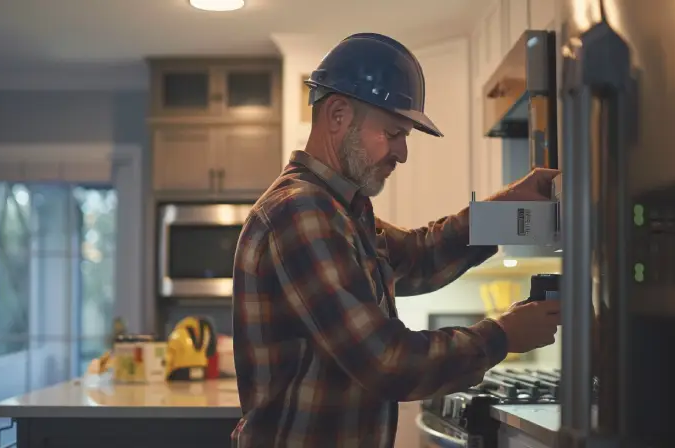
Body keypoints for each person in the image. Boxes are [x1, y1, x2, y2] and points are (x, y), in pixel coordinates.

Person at [231, 32, 561, 448]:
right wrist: (502, 336)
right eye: (392, 133)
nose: (402, 153)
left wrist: (507, 211)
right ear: (337, 115)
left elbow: (420, 258)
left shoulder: (341, 208)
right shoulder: (301, 212)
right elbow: (386, 362)